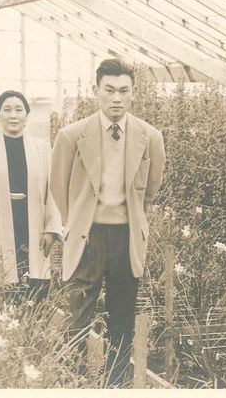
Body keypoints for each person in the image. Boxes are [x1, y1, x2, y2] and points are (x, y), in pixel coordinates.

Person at [50, 58, 165, 387]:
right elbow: (59, 187)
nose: (117, 98)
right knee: (78, 313)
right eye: (109, 90)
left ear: (133, 93)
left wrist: (132, 217)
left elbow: (152, 187)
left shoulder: (150, 137)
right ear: (95, 91)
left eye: (124, 91)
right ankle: (74, 381)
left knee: (122, 315)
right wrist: (77, 221)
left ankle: (116, 384)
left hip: (126, 237)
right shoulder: (71, 136)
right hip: (88, 236)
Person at [0, 90, 62, 304]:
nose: (13, 115)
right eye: (7, 110)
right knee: (2, 292)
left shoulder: (42, 148)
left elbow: (53, 192)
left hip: (33, 227)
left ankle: (34, 333)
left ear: (27, 116)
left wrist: (51, 229)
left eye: (19, 110)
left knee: (35, 292)